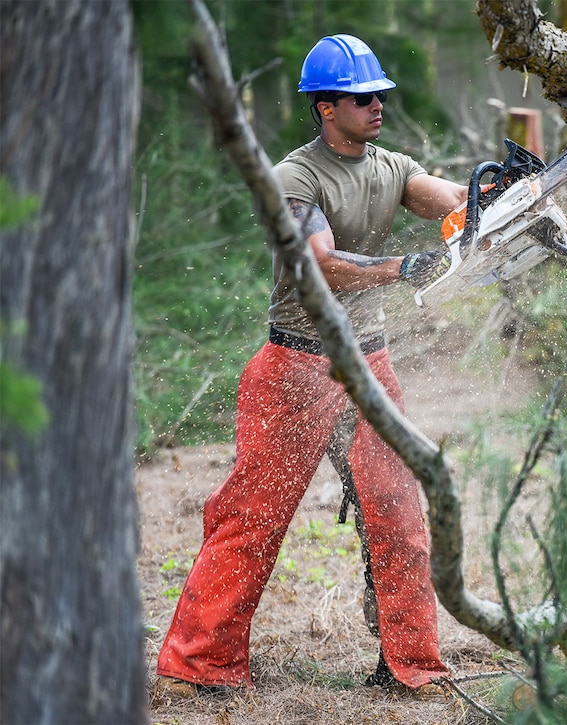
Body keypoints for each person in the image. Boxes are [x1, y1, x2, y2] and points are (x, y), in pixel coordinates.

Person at [153, 34, 467, 702]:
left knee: (399, 510)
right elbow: (318, 263)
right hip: (294, 369)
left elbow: (447, 198)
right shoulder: (297, 177)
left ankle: (413, 666)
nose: (377, 104)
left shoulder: (391, 166)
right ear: (326, 107)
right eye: (362, 97)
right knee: (252, 517)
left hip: (369, 363)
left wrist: (497, 198)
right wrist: (400, 267)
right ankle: (198, 665)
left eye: (380, 93)